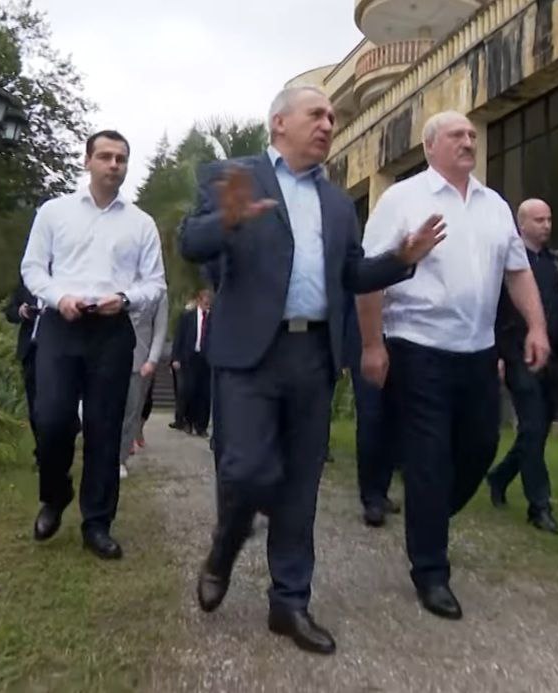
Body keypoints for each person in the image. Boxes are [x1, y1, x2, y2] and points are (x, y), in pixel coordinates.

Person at [180, 85, 443, 655]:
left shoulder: (335, 203)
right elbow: (190, 243)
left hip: (313, 356)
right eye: (317, 114)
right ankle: (225, 547)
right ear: (279, 123)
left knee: (300, 484)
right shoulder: (237, 175)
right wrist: (226, 221)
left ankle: (289, 602)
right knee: (246, 469)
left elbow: (350, 275)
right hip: (251, 352)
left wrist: (402, 260)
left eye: (332, 116)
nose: (329, 123)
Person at [357, 111, 550, 621]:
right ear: (430, 147)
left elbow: (518, 274)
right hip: (417, 345)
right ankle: (431, 570)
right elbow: (370, 276)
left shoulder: (495, 206)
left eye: (471, 134)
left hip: (477, 351)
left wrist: (537, 327)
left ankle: (428, 515)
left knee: (481, 445)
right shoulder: (402, 199)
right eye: (457, 135)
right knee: (428, 456)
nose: (469, 141)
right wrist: (373, 345)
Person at [20, 129, 166, 560]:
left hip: (111, 330)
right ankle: (55, 494)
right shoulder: (54, 212)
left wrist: (123, 299)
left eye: (121, 158)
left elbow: (154, 283)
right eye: (105, 156)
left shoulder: (141, 223)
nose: (113, 164)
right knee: (51, 419)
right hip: (61, 326)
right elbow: (32, 267)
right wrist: (57, 297)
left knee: (104, 429)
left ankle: (97, 523)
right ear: (87, 162)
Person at [486, 199, 558, 534]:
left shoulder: (556, 265)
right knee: (532, 426)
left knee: (537, 431)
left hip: (552, 357)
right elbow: (494, 311)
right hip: (518, 356)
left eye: (549, 218)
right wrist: (496, 354)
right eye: (539, 220)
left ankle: (499, 476)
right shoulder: (509, 265)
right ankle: (539, 506)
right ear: (521, 224)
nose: (546, 225)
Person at [343, 294, 399, 527]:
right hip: (364, 332)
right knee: (371, 413)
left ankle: (381, 489)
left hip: (401, 332)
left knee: (393, 414)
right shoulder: (362, 255)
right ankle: (371, 497)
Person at [119, 291, 168, 478]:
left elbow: (160, 330)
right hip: (109, 356)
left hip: (140, 362)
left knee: (131, 412)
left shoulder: (157, 292)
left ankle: (120, 458)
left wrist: (153, 360)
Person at [4, 277, 45, 465]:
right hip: (30, 351)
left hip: (55, 351)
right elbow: (10, 312)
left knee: (53, 403)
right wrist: (20, 311)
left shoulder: (62, 279)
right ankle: (42, 453)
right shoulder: (26, 282)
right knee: (34, 405)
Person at [171, 289, 212, 437]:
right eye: (205, 300)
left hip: (206, 360)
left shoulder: (213, 319)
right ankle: (187, 421)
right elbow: (179, 337)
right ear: (199, 300)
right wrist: (175, 358)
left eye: (209, 300)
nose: (207, 303)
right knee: (188, 390)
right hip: (189, 358)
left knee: (204, 394)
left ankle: (201, 426)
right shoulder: (188, 317)